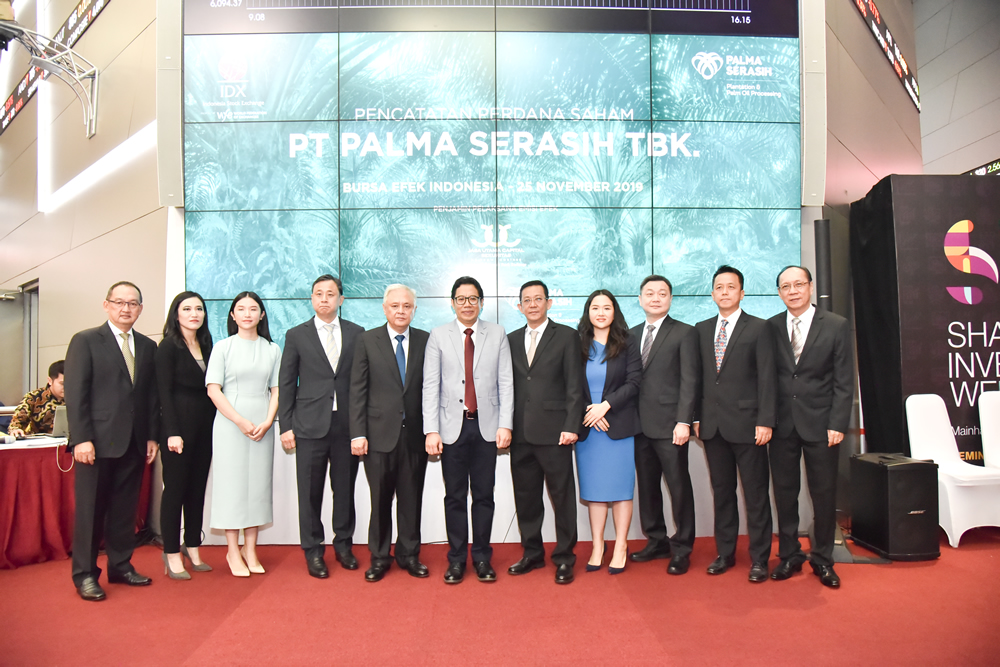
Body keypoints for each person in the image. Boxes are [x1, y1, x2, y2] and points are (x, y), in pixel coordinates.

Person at [65, 281, 159, 601]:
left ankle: (120, 566)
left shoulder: (147, 346)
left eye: (132, 303)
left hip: (134, 442)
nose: (125, 308)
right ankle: (85, 575)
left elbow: (149, 397)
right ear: (106, 305)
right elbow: (76, 394)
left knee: (123, 510)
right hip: (96, 444)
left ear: (140, 309)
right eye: (119, 302)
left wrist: (151, 436)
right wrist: (81, 439)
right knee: (90, 511)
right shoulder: (86, 341)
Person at [423, 276, 513, 584]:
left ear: (481, 302)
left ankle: (483, 558)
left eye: (473, 299)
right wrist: (431, 430)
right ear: (452, 303)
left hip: (487, 428)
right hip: (451, 429)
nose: (467, 304)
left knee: (484, 496)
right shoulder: (438, 335)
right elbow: (431, 386)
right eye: (461, 299)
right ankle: (457, 560)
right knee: (455, 496)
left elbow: (506, 383)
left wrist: (505, 424)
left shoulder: (497, 333)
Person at [767, 266, 853, 589]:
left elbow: (844, 380)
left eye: (798, 284)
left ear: (811, 287)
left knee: (823, 494)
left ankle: (823, 559)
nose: (793, 291)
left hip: (822, 425)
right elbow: (767, 378)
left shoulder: (836, 325)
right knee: (785, 494)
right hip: (782, 426)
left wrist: (838, 423)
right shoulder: (771, 327)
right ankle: (789, 555)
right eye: (786, 286)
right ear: (779, 292)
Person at [694, 265, 777, 583]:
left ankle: (760, 559)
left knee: (755, 494)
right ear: (712, 293)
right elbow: (698, 379)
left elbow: (767, 378)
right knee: (722, 492)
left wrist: (766, 420)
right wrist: (696, 418)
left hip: (749, 426)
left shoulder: (759, 328)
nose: (725, 292)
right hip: (712, 427)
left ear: (742, 293)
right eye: (719, 287)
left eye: (731, 287)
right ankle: (725, 553)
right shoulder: (701, 329)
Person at [279, 275, 363, 579]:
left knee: (345, 490)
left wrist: (362, 427)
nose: (324, 298)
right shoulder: (296, 335)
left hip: (346, 425)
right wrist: (285, 425)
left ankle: (344, 546)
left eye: (330, 294)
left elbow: (362, 381)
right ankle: (313, 551)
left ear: (341, 299)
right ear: (312, 299)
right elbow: (286, 382)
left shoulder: (357, 333)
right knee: (310, 493)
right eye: (318, 293)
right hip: (308, 425)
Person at [349, 284, 430, 582]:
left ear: (414, 310)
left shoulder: (425, 340)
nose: (400, 311)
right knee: (380, 500)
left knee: (411, 499)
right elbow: (357, 390)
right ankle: (380, 557)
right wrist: (358, 433)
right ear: (384, 309)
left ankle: (409, 555)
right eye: (395, 306)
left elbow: (431, 388)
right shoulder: (367, 340)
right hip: (377, 435)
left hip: (415, 436)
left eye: (406, 306)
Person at [506, 280, 583, 585]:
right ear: (519, 306)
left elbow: (575, 385)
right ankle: (532, 553)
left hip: (556, 433)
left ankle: (564, 557)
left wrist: (571, 426)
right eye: (527, 300)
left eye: (538, 299)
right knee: (526, 498)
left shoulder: (566, 336)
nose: (533, 304)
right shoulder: (510, 340)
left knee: (562, 497)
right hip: (520, 433)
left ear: (549, 303)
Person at [206, 291, 281, 577]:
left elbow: (277, 389)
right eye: (241, 309)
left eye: (253, 309)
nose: (247, 314)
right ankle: (232, 550)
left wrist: (268, 421)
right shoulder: (223, 347)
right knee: (232, 486)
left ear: (262, 315)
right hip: (230, 422)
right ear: (232, 315)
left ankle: (250, 550)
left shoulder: (272, 349)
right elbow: (214, 390)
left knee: (258, 487)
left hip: (262, 423)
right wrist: (239, 420)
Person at [629, 275, 699, 575]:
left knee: (678, 487)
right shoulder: (631, 334)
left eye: (662, 293)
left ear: (670, 298)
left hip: (671, 426)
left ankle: (682, 547)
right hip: (638, 426)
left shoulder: (685, 332)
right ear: (640, 299)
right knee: (647, 488)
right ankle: (656, 540)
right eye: (649, 293)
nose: (655, 298)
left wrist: (684, 421)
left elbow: (690, 380)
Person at [576, 289, 642, 575]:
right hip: (588, 427)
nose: (601, 312)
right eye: (595, 307)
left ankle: (621, 546)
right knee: (595, 490)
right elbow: (570, 384)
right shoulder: (577, 343)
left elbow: (634, 382)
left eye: (606, 307)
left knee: (620, 489)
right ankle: (597, 546)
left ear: (615, 311)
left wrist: (605, 406)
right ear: (588, 312)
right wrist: (589, 411)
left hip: (619, 425)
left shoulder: (628, 342)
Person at [156, 291, 216, 580]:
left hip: (205, 428)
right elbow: (163, 393)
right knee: (175, 491)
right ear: (176, 314)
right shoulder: (168, 346)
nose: (194, 314)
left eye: (199, 309)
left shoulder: (206, 344)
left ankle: (192, 546)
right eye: (187, 309)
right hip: (177, 430)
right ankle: (171, 553)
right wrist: (172, 432)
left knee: (196, 490)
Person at [6, 360, 65, 437]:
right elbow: (17, 420)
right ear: (50, 381)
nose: (67, 387)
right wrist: (15, 429)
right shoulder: (33, 397)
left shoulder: (77, 397)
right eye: (62, 384)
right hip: (38, 440)